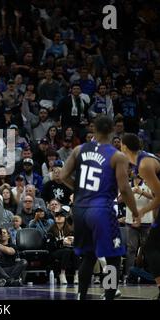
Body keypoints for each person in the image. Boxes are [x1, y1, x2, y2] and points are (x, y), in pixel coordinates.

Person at [60, 115, 139, 300]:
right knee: (112, 256)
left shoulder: (79, 150)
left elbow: (63, 175)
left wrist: (79, 191)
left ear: (93, 130)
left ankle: (81, 295)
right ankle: (109, 295)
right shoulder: (117, 155)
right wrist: (135, 212)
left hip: (79, 209)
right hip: (101, 209)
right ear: (113, 131)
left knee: (88, 255)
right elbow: (125, 190)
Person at [121, 133, 160, 300]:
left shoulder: (144, 165)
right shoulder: (141, 162)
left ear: (124, 147)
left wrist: (143, 212)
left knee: (151, 248)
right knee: (152, 248)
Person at [47, 210, 79, 285]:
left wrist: (72, 241)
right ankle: (62, 273)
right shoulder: (51, 231)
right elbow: (49, 246)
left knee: (75, 251)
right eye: (57, 216)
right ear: (54, 218)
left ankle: (77, 274)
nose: (59, 217)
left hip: (68, 250)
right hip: (55, 251)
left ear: (65, 218)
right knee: (66, 251)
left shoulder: (70, 230)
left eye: (61, 216)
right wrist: (61, 242)